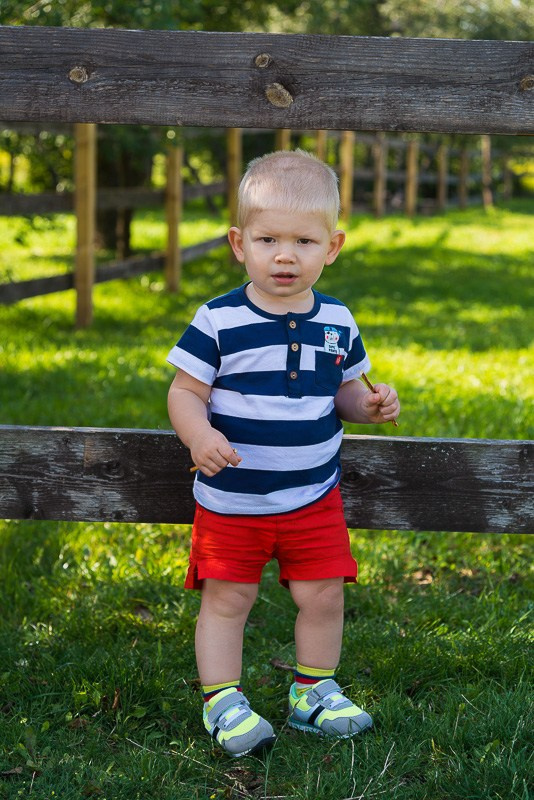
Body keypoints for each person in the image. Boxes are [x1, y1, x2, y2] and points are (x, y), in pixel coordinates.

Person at [167, 149, 400, 758]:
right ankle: (222, 699)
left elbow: (344, 393)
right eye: (268, 238)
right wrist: (198, 435)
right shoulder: (219, 319)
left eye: (304, 240)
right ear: (239, 243)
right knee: (228, 598)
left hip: (313, 497)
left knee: (323, 594)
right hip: (232, 498)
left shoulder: (339, 321)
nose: (286, 255)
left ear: (334, 246)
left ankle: (312, 691)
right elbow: (185, 391)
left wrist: (368, 406)